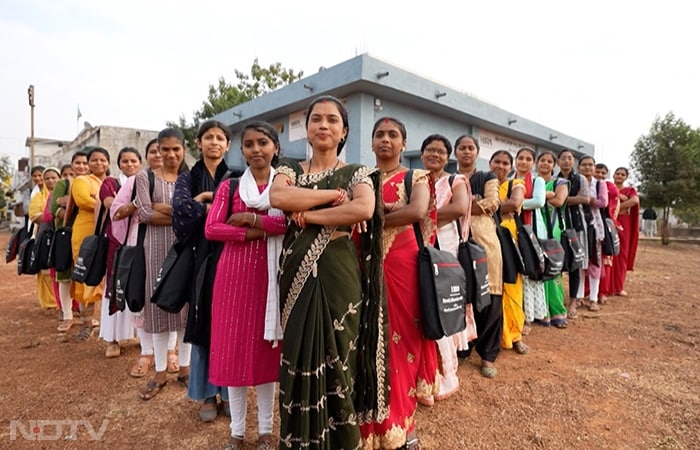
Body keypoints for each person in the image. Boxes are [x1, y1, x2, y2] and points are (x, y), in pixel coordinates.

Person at [270, 96, 387, 449]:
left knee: (340, 357)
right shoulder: (289, 168)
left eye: (332, 120)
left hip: (339, 272)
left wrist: (310, 215)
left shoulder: (358, 172)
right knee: (298, 352)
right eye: (316, 119)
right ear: (306, 130)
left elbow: (364, 208)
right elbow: (279, 198)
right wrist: (335, 196)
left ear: (344, 131)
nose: (323, 124)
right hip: (296, 272)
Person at [206, 121, 287, 450]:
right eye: (249, 144)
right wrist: (259, 230)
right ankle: (237, 433)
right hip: (233, 279)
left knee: (265, 355)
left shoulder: (285, 184)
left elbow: (287, 222)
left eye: (263, 143)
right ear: (241, 151)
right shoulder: (229, 187)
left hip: (270, 279)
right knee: (233, 354)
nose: (256, 149)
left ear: (275, 148)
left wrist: (251, 220)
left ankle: (266, 432)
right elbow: (212, 229)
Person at [363, 118, 438, 449]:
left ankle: (404, 426)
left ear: (403, 144)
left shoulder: (415, 176)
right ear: (371, 142)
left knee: (403, 345)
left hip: (404, 268)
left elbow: (417, 210)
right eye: (379, 134)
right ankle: (372, 426)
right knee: (370, 345)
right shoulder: (362, 179)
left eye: (393, 135)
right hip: (366, 266)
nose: (385, 140)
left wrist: (372, 217)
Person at [172, 120, 232, 420]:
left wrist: (207, 202)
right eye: (209, 137)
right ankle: (207, 392)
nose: (214, 142)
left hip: (231, 256)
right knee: (203, 320)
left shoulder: (236, 176)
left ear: (228, 145)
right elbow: (180, 209)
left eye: (220, 138)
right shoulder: (188, 177)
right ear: (198, 142)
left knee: (229, 323)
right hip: (199, 258)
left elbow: (243, 210)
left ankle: (229, 390)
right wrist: (216, 207)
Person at [111, 139, 178, 379]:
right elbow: (119, 211)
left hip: (172, 243)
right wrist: (138, 206)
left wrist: (152, 208)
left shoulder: (180, 179)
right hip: (139, 243)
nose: (161, 156)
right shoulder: (137, 180)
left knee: (170, 294)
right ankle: (147, 351)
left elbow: (174, 210)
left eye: (171, 150)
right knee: (144, 297)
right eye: (155, 151)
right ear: (149, 156)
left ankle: (171, 351)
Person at [419, 133, 476, 402]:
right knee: (424, 311)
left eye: (441, 151)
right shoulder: (415, 180)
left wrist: (418, 213)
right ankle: (424, 376)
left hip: (445, 256)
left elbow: (458, 208)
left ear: (447, 157)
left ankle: (445, 376)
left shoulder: (455, 181)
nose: (435, 154)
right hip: (419, 253)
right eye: (430, 150)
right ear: (421, 154)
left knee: (441, 312)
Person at [135, 128, 191, 400]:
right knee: (157, 310)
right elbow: (144, 213)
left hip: (184, 251)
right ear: (156, 150)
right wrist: (181, 213)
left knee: (185, 309)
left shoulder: (190, 178)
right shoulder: (145, 178)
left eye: (175, 149)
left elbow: (198, 213)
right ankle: (159, 373)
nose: (169, 154)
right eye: (163, 149)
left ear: (184, 149)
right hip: (155, 250)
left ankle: (184, 369)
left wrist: (163, 209)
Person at [454, 135, 503, 379]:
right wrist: (472, 202)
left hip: (484, 240)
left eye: (470, 148)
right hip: (454, 240)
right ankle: (462, 348)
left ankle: (488, 354)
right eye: (461, 148)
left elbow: (492, 203)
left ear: (477, 152)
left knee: (490, 295)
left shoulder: (487, 177)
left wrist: (458, 205)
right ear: (455, 153)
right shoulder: (449, 178)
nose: (466, 152)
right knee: (459, 295)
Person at [97, 147, 142, 358]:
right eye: (125, 161)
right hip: (116, 241)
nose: (129, 164)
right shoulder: (110, 183)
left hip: (139, 239)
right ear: (118, 164)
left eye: (134, 161)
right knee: (114, 285)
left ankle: (139, 336)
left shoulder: (146, 182)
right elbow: (112, 205)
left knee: (138, 285)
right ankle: (112, 339)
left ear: (140, 163)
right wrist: (133, 203)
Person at [489, 150, 529, 351]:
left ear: (510, 167)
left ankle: (515, 335)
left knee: (512, 286)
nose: (501, 166)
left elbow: (514, 203)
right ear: (490, 163)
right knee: (492, 287)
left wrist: (486, 205)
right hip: (487, 237)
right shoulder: (484, 182)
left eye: (505, 163)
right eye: (497, 161)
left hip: (508, 239)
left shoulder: (516, 184)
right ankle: (494, 335)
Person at [69, 147, 110, 340]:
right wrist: (108, 202)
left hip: (107, 232)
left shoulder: (111, 182)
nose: (98, 163)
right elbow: (83, 200)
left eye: (103, 160)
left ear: (108, 163)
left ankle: (106, 325)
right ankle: (86, 323)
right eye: (94, 160)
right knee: (86, 275)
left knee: (106, 277)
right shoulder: (81, 180)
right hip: (85, 233)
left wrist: (104, 200)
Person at [53, 152, 89, 332]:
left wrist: (69, 202)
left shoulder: (92, 182)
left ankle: (85, 318)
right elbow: (54, 209)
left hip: (86, 235)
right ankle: (67, 316)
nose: (82, 166)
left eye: (85, 163)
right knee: (65, 277)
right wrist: (72, 205)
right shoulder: (63, 184)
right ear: (72, 164)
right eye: (78, 163)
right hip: (66, 235)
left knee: (83, 276)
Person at [513, 147, 547, 328]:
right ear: (516, 160)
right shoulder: (511, 179)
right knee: (516, 272)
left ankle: (529, 317)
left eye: (528, 159)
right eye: (521, 158)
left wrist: (513, 204)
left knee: (531, 271)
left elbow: (538, 201)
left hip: (531, 230)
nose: (524, 162)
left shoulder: (537, 181)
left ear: (532, 163)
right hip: (511, 230)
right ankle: (516, 314)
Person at [537, 151, 570, 327]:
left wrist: (539, 196)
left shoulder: (560, 182)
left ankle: (558, 312)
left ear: (554, 165)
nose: (545, 163)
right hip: (534, 228)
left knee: (553, 270)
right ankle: (541, 311)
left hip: (552, 229)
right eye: (542, 160)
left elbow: (559, 200)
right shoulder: (532, 181)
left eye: (549, 161)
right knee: (537, 269)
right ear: (537, 163)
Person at [556, 149, 590, 318]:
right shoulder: (555, 179)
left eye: (570, 158)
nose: (567, 161)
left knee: (575, 266)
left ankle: (573, 303)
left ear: (574, 162)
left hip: (576, 227)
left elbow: (585, 199)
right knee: (558, 266)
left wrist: (560, 198)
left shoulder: (580, 179)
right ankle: (558, 301)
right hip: (558, 227)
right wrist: (570, 197)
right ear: (558, 161)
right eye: (563, 158)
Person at [578, 156, 608, 312]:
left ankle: (593, 298)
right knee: (580, 264)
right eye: (584, 165)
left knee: (594, 263)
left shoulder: (599, 184)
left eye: (590, 165)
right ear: (579, 167)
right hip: (578, 227)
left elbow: (603, 202)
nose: (587, 168)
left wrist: (587, 200)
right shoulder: (576, 181)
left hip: (594, 228)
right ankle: (579, 297)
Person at [27, 165, 57, 312]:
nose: (50, 181)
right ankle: (49, 302)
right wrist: (52, 220)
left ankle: (62, 302)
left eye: (53, 178)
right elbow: (34, 215)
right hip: (44, 235)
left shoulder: (66, 193)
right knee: (44, 267)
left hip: (62, 236)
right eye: (47, 178)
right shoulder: (39, 196)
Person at [612, 167, 640, 296]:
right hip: (610, 223)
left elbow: (634, 201)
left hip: (624, 225)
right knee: (608, 254)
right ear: (613, 175)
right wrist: (619, 199)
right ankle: (606, 287)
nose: (619, 176)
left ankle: (619, 286)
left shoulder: (629, 190)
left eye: (622, 174)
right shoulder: (608, 188)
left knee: (622, 253)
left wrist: (616, 208)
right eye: (617, 173)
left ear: (626, 177)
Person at [595, 163, 619, 304]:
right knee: (592, 260)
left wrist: (602, 186)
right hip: (590, 225)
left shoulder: (609, 186)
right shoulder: (586, 184)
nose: (599, 175)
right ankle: (588, 292)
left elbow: (614, 194)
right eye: (597, 172)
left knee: (606, 260)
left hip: (605, 225)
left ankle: (602, 292)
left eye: (603, 173)